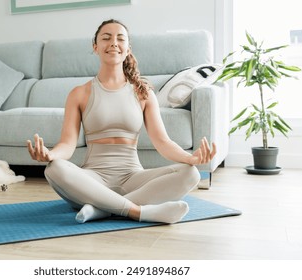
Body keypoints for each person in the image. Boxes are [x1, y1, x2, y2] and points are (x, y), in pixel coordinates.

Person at [27, 19, 216, 224]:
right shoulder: (79, 94)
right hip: (92, 180)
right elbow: (67, 144)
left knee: (191, 174)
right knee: (54, 169)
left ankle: (101, 209)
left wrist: (190, 158)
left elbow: (163, 142)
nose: (114, 43)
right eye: (106, 38)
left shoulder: (143, 93)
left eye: (120, 38)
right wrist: (50, 154)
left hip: (133, 178)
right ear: (95, 47)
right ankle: (136, 211)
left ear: (127, 49)